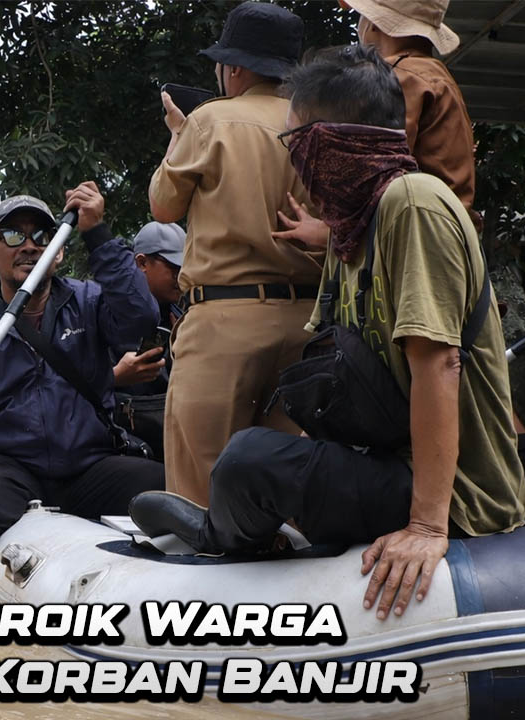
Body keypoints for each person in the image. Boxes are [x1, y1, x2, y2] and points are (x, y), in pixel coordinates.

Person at [131, 46, 525, 621]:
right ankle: (243, 524)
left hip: (457, 496)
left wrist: (426, 526)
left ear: (332, 144)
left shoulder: (412, 204)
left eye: (297, 145)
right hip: (390, 460)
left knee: (248, 459)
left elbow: (439, 363)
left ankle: (221, 533)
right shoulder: (352, 231)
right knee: (265, 450)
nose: (295, 166)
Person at [0, 183, 166, 600]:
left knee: (163, 483)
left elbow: (141, 317)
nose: (28, 246)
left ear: (58, 251)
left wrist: (97, 233)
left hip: (88, 466)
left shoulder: (89, 301)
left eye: (42, 236)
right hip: (8, 468)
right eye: (13, 235)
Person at [149, 2, 323, 506]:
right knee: (288, 481)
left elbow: (163, 207)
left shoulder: (210, 120)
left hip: (224, 320)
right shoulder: (318, 123)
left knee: (201, 486)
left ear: (235, 67)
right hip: (308, 323)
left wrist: (179, 136)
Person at [274, 0, 478, 247]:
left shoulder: (398, 77)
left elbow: (373, 170)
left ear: (373, 23)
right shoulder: (433, 73)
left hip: (420, 235)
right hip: (444, 228)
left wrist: (327, 233)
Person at [113, 221, 185, 393]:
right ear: (142, 263)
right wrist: (114, 378)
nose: (182, 276)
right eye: (174, 268)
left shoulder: (180, 317)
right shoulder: (107, 312)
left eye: (186, 268)